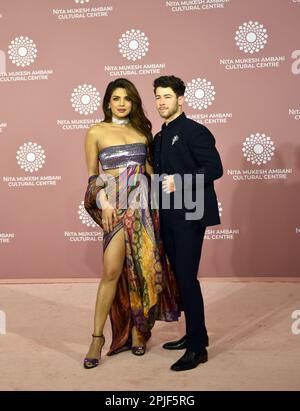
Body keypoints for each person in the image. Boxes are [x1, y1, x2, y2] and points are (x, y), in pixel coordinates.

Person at [83, 78, 181, 369]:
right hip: (114, 206)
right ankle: (97, 338)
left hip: (143, 210)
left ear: (134, 102)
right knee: (111, 271)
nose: (122, 103)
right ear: (108, 102)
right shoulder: (96, 132)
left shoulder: (142, 132)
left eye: (127, 98)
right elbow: (92, 177)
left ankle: (140, 330)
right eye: (116, 98)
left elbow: (153, 173)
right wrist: (103, 201)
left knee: (147, 270)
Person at [153, 75, 223, 371]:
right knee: (179, 279)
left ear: (181, 99)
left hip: (190, 215)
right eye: (158, 97)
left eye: (167, 96)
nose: (161, 102)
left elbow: (215, 169)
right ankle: (195, 334)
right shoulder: (159, 137)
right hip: (167, 216)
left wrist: (179, 182)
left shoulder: (195, 131)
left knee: (187, 279)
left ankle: (197, 348)